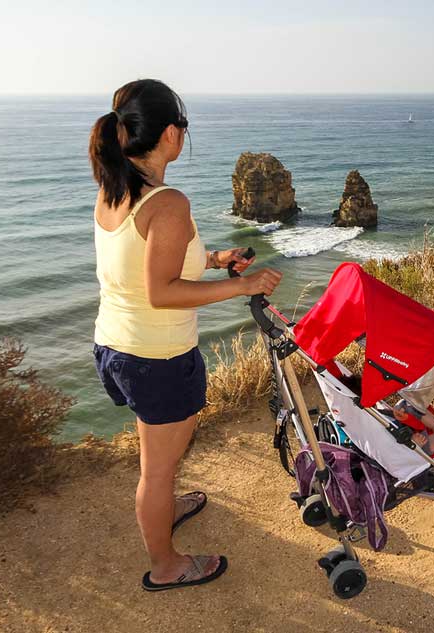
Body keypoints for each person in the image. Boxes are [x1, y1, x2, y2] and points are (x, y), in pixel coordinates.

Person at [88, 79, 282, 592]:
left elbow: (145, 264)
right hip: (157, 356)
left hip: (116, 345)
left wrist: (215, 260)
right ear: (171, 133)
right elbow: (162, 292)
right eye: (185, 129)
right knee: (156, 468)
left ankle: (166, 505)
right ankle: (165, 564)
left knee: (157, 451)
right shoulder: (169, 202)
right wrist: (240, 283)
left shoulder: (115, 190)